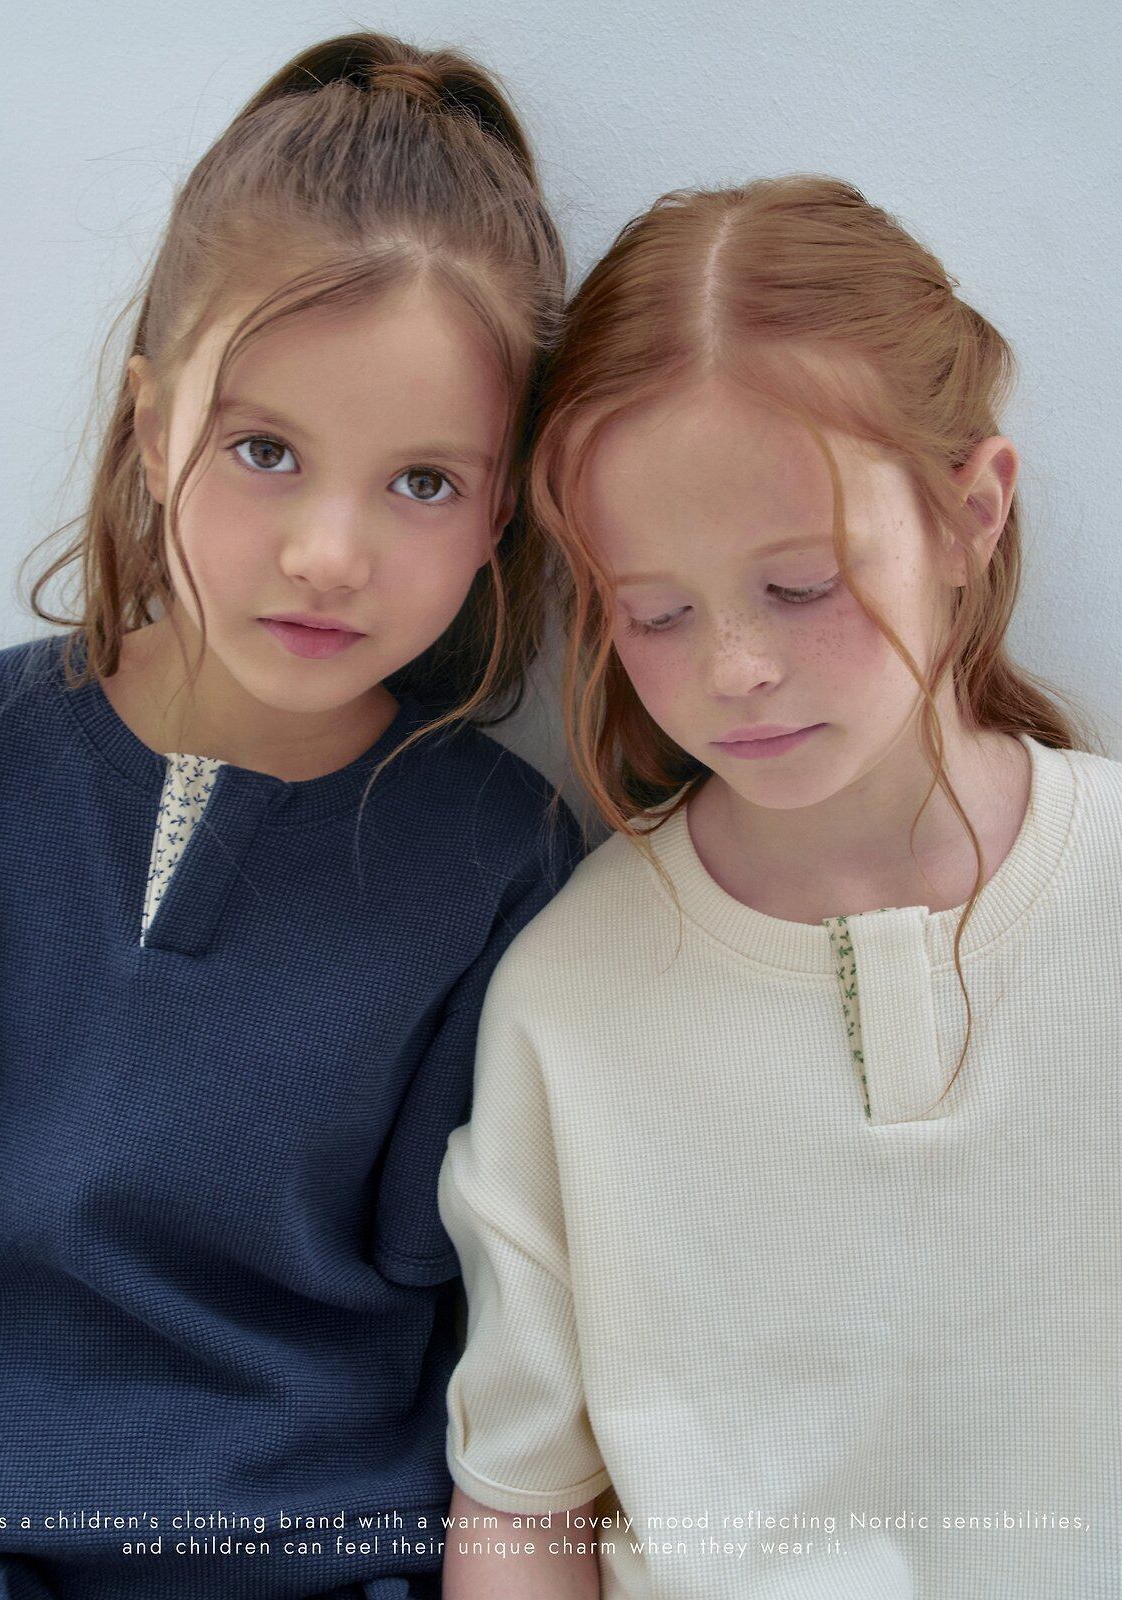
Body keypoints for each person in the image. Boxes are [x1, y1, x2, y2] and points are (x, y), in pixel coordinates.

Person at [0, 32, 578, 1600]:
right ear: (150, 421)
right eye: (264, 451)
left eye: (424, 482)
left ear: (504, 505)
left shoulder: (499, 857)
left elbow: (486, 1341)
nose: (329, 552)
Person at [438, 176, 1121, 1598]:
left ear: (971, 512)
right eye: (655, 612)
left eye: (801, 586)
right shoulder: (568, 997)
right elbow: (520, 1506)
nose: (735, 668)